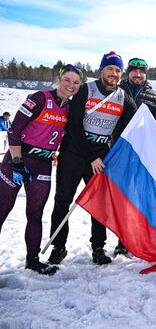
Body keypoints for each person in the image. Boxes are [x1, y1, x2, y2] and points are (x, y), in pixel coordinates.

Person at [48, 51, 137, 266]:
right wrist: (91, 157)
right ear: (101, 70)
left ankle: (98, 247)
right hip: (75, 151)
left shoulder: (123, 96)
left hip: (100, 153)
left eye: (117, 70)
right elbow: (75, 127)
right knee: (63, 200)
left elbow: (134, 123)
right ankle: (58, 247)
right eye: (110, 69)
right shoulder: (86, 90)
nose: (113, 74)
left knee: (100, 203)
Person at [0, 64, 82, 275]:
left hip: (43, 165)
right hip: (17, 162)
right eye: (67, 80)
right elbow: (14, 131)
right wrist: (17, 162)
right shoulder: (39, 98)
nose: (71, 86)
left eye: (76, 83)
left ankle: (33, 260)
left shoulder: (71, 108)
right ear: (59, 79)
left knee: (35, 214)